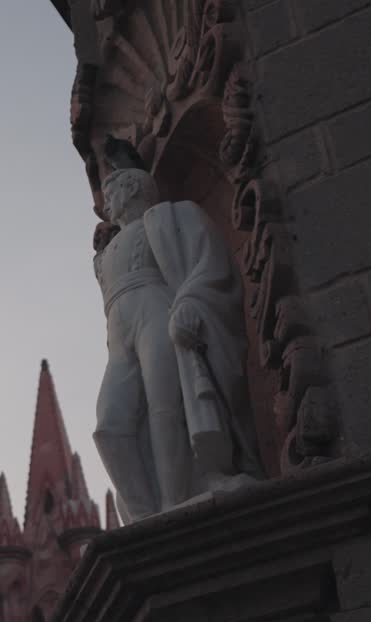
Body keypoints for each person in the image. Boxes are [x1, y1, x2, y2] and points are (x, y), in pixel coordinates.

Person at [92, 142, 262, 523]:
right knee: (111, 424)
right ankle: (142, 514)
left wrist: (189, 301)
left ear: (134, 187)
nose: (106, 202)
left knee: (164, 406)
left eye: (113, 190)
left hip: (156, 310)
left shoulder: (173, 217)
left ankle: (174, 502)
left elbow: (210, 263)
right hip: (119, 334)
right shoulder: (107, 252)